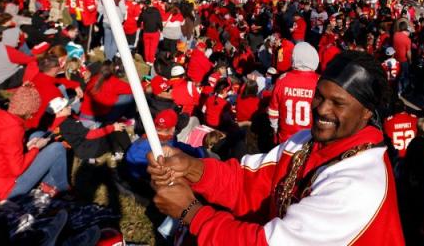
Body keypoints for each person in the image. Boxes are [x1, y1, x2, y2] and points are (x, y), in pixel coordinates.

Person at [146, 51, 405, 245]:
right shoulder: (305, 141)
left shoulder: (359, 182)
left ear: (366, 113)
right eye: (319, 96)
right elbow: (247, 183)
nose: (322, 109)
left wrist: (192, 213)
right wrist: (191, 167)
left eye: (338, 103)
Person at [0, 83, 70, 203]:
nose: (32, 116)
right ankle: (64, 190)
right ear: (28, 112)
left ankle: (48, 184)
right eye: (33, 113)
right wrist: (35, 148)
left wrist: (27, 147)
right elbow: (17, 169)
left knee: (36, 135)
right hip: (3, 192)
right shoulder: (14, 130)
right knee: (56, 148)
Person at [267, 42, 320, 143]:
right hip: (310, 138)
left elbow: (273, 111)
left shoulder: (282, 79)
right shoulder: (319, 81)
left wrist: (274, 129)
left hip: (286, 139)